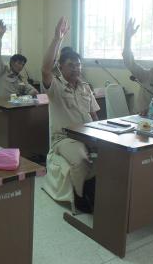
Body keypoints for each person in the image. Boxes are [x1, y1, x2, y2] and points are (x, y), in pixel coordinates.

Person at [41, 17, 99, 213]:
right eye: (71, 65)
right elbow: (45, 69)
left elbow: (94, 115)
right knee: (82, 159)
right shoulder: (56, 87)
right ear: (62, 67)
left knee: (113, 155)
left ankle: (97, 191)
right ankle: (81, 196)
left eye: (78, 65)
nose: (76, 68)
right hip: (65, 139)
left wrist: (102, 135)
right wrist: (57, 38)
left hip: (90, 134)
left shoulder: (85, 87)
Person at [0, 20, 38, 99]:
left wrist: (29, 94)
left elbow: (33, 90)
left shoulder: (21, 78)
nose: (21, 66)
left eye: (23, 64)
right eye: (19, 63)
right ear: (12, 62)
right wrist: (0, 36)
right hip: (1, 107)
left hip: (15, 107)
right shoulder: (2, 71)